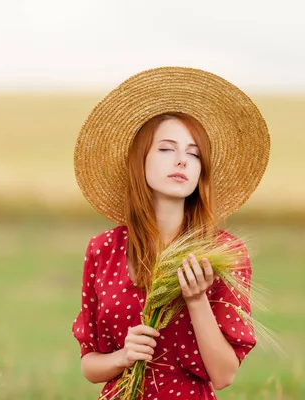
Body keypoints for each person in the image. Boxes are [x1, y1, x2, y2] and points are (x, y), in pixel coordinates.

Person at [72, 66, 270, 399]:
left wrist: (195, 300)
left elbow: (224, 376)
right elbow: (89, 364)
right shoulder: (103, 248)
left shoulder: (222, 253)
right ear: (140, 160)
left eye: (194, 154)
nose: (182, 161)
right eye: (166, 149)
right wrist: (124, 356)